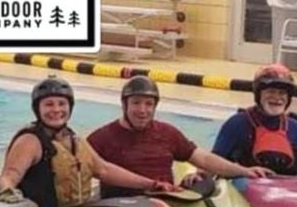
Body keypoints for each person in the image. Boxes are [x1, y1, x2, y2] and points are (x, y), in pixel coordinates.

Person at [0, 76, 179, 207]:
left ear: (70, 107)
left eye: (62, 104)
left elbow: (104, 170)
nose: (56, 110)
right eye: (48, 105)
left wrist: (153, 184)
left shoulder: (74, 140)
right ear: (38, 109)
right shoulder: (30, 141)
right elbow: (8, 177)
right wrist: (10, 197)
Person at [87, 75, 273, 198]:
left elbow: (204, 159)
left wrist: (244, 171)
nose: (143, 110)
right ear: (124, 105)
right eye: (136, 103)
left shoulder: (167, 133)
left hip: (165, 206)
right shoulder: (102, 138)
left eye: (148, 104)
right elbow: (85, 170)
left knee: (205, 182)